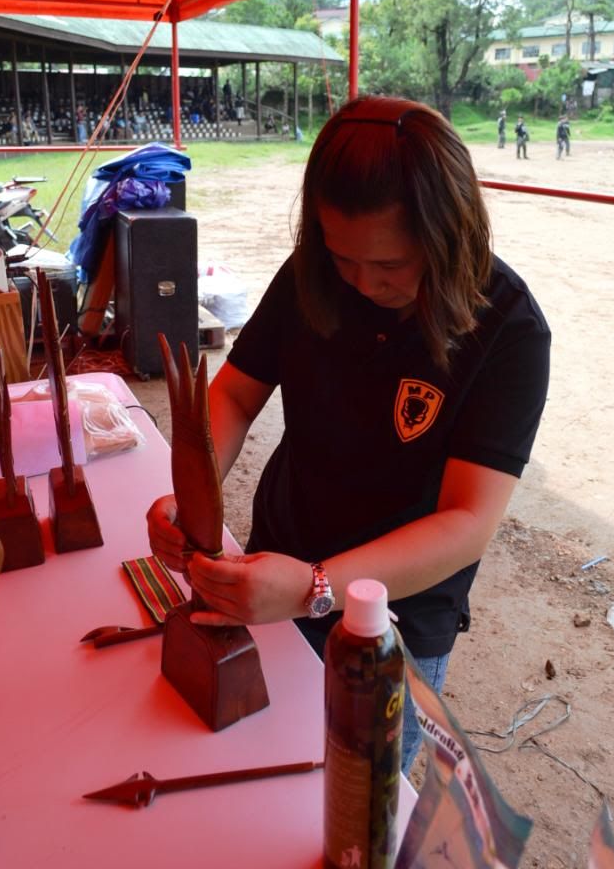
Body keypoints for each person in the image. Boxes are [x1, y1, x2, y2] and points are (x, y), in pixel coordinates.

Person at [147, 95, 550, 772]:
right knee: (253, 764)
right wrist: (193, 487)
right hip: (273, 566)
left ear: (447, 233)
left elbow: (465, 522)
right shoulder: (314, 271)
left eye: (390, 264)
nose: (362, 283)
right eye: (343, 257)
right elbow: (238, 393)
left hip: (394, 616)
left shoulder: (506, 329)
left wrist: (316, 587)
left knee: (354, 798)